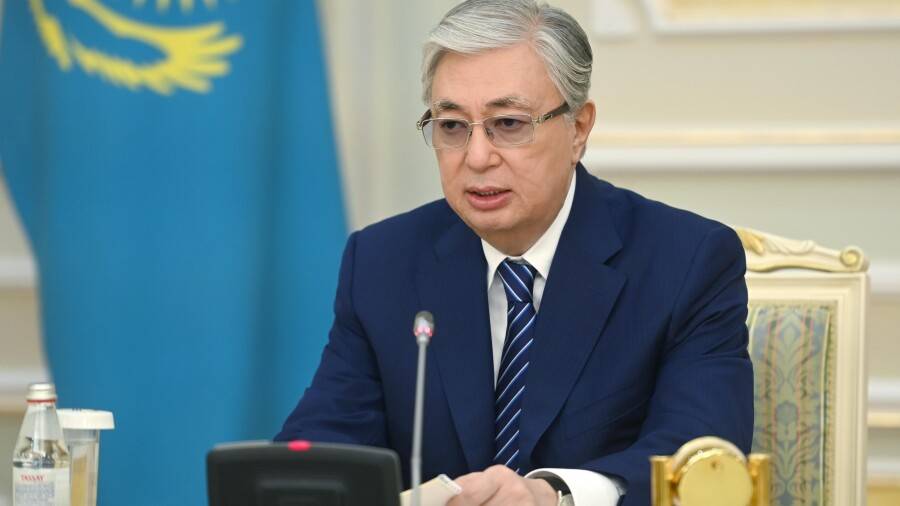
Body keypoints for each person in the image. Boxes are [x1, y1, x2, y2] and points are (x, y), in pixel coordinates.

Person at [276, 1, 753, 505]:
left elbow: (700, 459)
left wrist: (555, 495)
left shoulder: (687, 262)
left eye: (507, 123)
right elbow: (323, 449)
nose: (477, 157)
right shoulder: (383, 262)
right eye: (452, 126)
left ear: (578, 128)